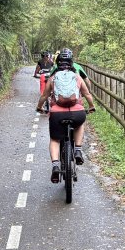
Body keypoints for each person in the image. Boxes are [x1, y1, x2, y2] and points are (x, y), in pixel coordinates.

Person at [36, 49, 96, 183]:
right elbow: (87, 94)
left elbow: (44, 96)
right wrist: (91, 106)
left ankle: (56, 165)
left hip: (57, 114)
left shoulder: (53, 78)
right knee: (80, 124)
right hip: (77, 112)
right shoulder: (77, 76)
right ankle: (78, 150)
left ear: (57, 63)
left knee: (55, 139)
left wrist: (39, 108)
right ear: (71, 63)